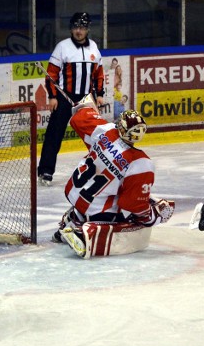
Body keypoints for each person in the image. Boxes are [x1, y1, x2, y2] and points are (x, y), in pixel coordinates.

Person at [51, 96, 175, 259]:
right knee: (130, 219)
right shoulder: (140, 163)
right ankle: (85, 233)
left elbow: (78, 117)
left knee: (117, 188)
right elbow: (131, 204)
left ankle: (73, 219)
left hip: (74, 193)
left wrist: (85, 106)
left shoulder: (104, 130)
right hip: (97, 210)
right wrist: (151, 217)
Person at [37, 12, 105, 186]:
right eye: (76, 27)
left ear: (87, 29)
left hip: (85, 99)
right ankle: (45, 171)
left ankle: (101, 168)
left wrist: (100, 94)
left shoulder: (94, 48)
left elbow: (99, 74)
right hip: (64, 98)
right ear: (71, 29)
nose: (79, 31)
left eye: (82, 27)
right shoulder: (63, 47)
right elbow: (51, 75)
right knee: (54, 134)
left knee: (95, 135)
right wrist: (53, 97)